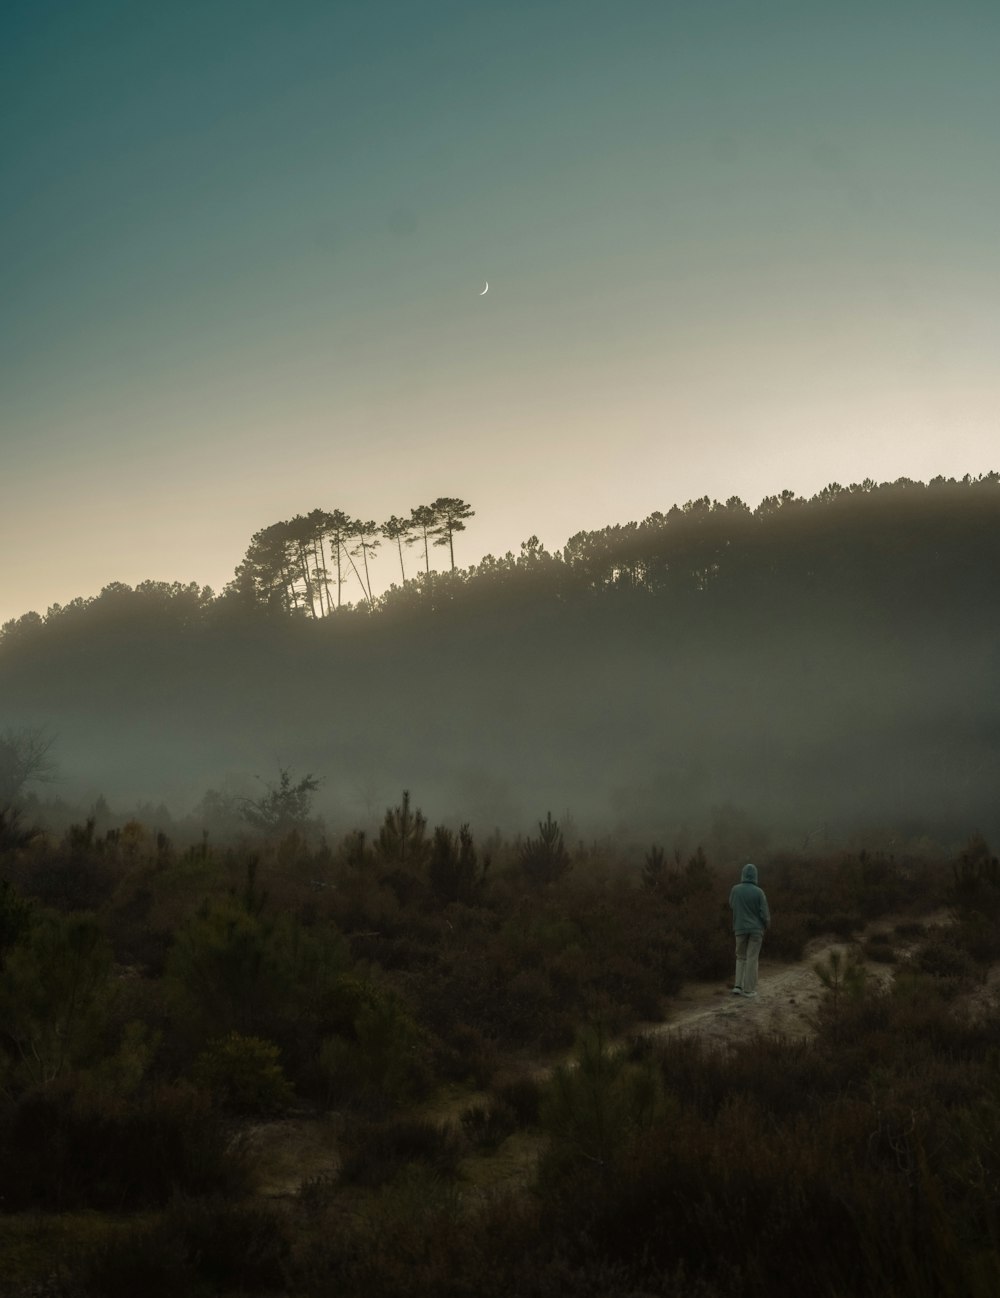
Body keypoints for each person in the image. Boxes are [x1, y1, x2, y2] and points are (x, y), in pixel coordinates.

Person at [729, 863, 770, 998]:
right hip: (756, 930)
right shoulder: (759, 892)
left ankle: (737, 986)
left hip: (739, 928)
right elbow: (764, 913)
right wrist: (766, 924)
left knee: (740, 956)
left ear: (743, 874)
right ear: (755, 876)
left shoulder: (735, 889)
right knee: (752, 958)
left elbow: (731, 904)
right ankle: (749, 990)